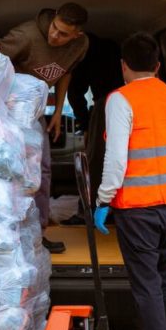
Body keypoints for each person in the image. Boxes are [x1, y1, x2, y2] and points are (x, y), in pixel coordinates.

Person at [94, 32, 166, 330]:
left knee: (146, 285)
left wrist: (103, 200)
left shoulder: (121, 99)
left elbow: (116, 159)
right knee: (165, 282)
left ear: (123, 66)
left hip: (137, 209)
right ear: (159, 66)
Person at [0, 2, 89, 254]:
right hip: (5, 112)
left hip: (35, 115)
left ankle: (37, 234)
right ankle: (3, 234)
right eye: (55, 29)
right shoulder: (26, 35)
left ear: (76, 34)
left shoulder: (81, 45)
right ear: (54, 18)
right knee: (8, 172)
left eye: (64, 34)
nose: (55, 36)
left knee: (42, 172)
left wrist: (57, 111)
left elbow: (66, 72)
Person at [65, 32, 122, 222]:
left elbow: (74, 92)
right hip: (132, 102)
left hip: (104, 105)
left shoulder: (83, 53)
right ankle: (119, 209)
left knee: (97, 160)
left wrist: (86, 122)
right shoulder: (114, 46)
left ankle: (91, 210)